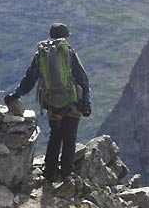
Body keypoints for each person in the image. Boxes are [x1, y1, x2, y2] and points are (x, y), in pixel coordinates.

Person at [5, 23, 91, 181]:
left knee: (55, 136)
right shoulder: (68, 53)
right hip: (72, 103)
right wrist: (86, 102)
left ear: (51, 35)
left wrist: (14, 95)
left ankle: (49, 173)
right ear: (65, 36)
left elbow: (29, 80)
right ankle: (66, 174)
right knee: (69, 138)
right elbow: (82, 78)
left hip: (52, 104)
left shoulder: (41, 55)